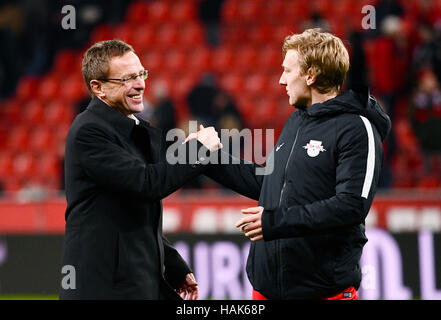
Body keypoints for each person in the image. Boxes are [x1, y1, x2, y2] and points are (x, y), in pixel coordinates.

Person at [195, 28, 391, 299]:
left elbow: (351, 206)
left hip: (322, 293)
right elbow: (269, 183)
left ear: (310, 75)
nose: (281, 79)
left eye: (288, 71)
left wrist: (274, 223)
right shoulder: (297, 120)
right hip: (265, 291)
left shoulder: (357, 128)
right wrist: (207, 158)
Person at [60, 39, 221, 300]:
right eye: (126, 78)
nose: (139, 84)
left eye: (140, 74)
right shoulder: (89, 131)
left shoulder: (132, 128)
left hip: (135, 282)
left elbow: (132, 213)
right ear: (98, 88)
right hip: (104, 289)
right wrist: (198, 152)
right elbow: (147, 184)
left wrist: (173, 264)